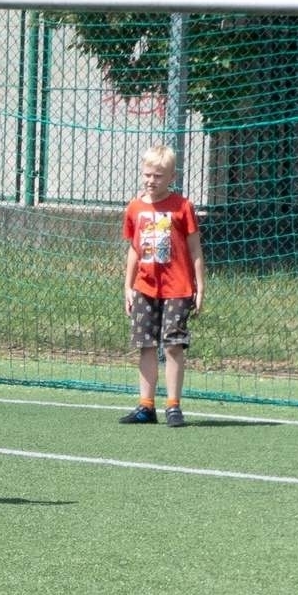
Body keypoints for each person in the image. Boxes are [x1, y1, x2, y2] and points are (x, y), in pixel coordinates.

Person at [119, 144, 205, 427]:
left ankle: (173, 406)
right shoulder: (135, 207)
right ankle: (146, 406)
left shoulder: (183, 207)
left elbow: (195, 250)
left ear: (171, 177)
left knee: (173, 345)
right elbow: (134, 248)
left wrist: (199, 286)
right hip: (145, 287)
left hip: (177, 288)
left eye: (158, 176)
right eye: (147, 175)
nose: (151, 181)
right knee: (145, 344)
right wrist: (128, 286)